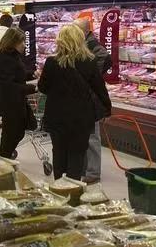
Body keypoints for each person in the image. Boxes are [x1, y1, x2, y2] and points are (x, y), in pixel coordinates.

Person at [38, 24, 111, 180]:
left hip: (56, 116)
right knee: (77, 155)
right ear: (80, 40)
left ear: (60, 41)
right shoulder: (89, 62)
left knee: (58, 153)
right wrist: (107, 109)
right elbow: (100, 89)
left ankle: (59, 189)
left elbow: (42, 87)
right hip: (82, 117)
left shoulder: (51, 62)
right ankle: (73, 189)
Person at [73, 17, 112, 184]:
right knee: (82, 137)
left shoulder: (93, 47)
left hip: (91, 99)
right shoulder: (78, 45)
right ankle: (83, 168)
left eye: (76, 30)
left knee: (92, 137)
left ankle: (93, 172)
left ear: (86, 31)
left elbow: (106, 60)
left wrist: (91, 75)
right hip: (80, 98)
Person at [0, 27, 35, 159]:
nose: (24, 45)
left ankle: (5, 154)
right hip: (10, 103)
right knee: (11, 133)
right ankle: (4, 158)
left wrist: (32, 74)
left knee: (17, 131)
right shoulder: (4, 59)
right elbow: (8, 85)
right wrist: (31, 88)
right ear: (13, 42)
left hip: (17, 101)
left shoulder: (13, 57)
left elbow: (17, 75)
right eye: (21, 42)